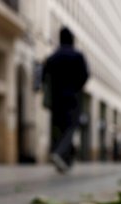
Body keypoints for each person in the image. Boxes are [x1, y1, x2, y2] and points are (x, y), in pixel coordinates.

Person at [42, 27, 89, 173]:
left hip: (56, 99)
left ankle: (64, 162)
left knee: (61, 128)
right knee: (71, 127)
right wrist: (76, 87)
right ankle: (59, 152)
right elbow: (85, 75)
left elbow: (44, 77)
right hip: (72, 97)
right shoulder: (78, 56)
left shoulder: (52, 57)